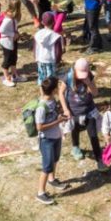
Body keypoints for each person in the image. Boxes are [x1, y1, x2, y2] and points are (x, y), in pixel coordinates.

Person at [59, 57, 106, 170]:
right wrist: (66, 109)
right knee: (75, 129)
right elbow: (61, 92)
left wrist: (89, 83)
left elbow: (95, 93)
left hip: (89, 111)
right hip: (74, 112)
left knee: (93, 135)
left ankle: (99, 160)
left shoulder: (89, 76)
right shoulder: (68, 77)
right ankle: (75, 147)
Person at [34, 76, 70, 205]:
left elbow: (54, 114)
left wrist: (60, 116)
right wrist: (58, 121)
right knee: (47, 166)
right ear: (54, 89)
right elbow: (39, 127)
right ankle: (40, 192)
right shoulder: (41, 107)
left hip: (56, 136)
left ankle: (52, 179)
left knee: (55, 159)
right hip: (47, 140)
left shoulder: (52, 100)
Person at [0, 0, 21, 87]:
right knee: (7, 60)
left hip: (13, 40)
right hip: (7, 41)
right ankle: (6, 78)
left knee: (13, 58)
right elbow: (1, 30)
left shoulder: (13, 17)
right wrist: (13, 34)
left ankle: (15, 75)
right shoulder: (8, 19)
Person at [34, 11, 64, 83]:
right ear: (54, 22)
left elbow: (35, 48)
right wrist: (58, 60)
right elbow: (58, 51)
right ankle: (50, 92)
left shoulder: (37, 34)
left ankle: (43, 93)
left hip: (40, 59)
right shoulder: (56, 36)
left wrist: (36, 57)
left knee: (41, 78)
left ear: (42, 22)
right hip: (51, 60)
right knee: (51, 80)